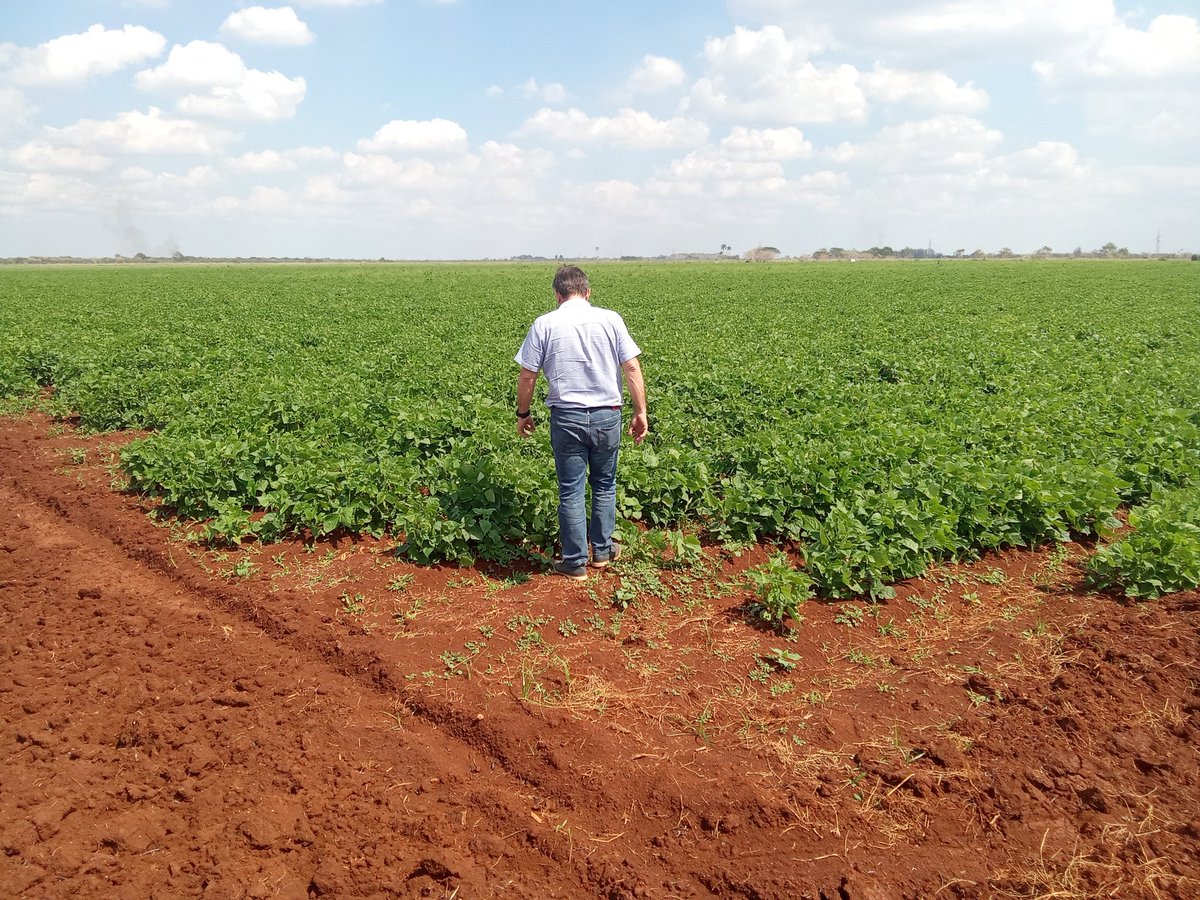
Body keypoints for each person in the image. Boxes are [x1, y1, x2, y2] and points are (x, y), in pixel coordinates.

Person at [514, 265, 648, 580]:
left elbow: (527, 374)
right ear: (587, 292)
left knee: (571, 489)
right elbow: (631, 366)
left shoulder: (544, 324)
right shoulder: (611, 319)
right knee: (604, 483)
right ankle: (602, 552)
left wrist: (523, 413)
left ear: (558, 295)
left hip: (567, 416)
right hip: (607, 415)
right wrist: (640, 411)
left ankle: (574, 563)